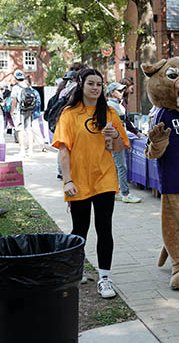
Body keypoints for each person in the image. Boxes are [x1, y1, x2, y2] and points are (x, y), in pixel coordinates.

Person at [52, 68, 129, 299]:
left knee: (104, 228)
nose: (96, 88)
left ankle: (105, 278)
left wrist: (114, 135)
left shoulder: (109, 113)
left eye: (99, 84)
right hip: (78, 181)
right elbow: (64, 151)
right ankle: (78, 269)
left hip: (104, 178)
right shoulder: (69, 113)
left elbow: (118, 148)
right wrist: (67, 181)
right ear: (81, 85)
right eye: (91, 84)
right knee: (80, 228)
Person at [106, 82, 142, 204]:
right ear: (112, 92)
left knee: (117, 166)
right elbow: (113, 126)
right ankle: (125, 193)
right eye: (119, 91)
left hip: (116, 138)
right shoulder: (111, 106)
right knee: (121, 166)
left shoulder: (118, 105)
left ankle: (116, 191)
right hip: (115, 139)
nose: (122, 93)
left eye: (122, 91)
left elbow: (125, 122)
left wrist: (136, 133)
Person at [10, 70, 34, 157]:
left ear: (15, 78)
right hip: (29, 110)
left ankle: (22, 150)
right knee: (29, 130)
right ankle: (30, 150)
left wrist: (12, 112)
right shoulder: (28, 86)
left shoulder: (16, 87)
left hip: (20, 111)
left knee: (20, 130)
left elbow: (14, 101)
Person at [25, 76, 48, 152]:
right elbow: (38, 103)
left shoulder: (25, 91)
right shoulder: (34, 92)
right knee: (34, 130)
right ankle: (40, 146)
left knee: (31, 130)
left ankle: (33, 147)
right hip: (33, 114)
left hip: (28, 114)